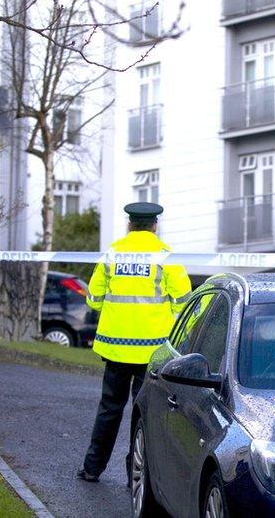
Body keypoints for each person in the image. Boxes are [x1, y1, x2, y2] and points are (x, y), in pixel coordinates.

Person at [76, 202, 192, 484]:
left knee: (109, 409)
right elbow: (185, 303)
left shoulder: (113, 253)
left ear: (130, 225)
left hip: (115, 348)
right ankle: (135, 476)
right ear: (155, 225)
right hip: (152, 353)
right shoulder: (166, 257)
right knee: (145, 416)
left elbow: (93, 298)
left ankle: (92, 468)